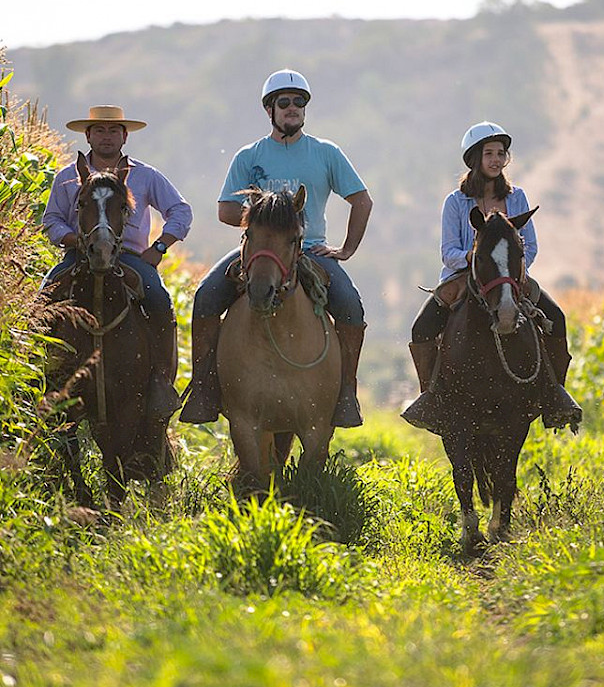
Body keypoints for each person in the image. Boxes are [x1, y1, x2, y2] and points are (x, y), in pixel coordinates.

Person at [180, 69, 373, 427]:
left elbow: (362, 201)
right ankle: (204, 388)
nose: (292, 108)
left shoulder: (326, 153)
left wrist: (345, 250)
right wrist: (262, 221)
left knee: (350, 306)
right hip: (258, 253)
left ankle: (346, 393)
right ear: (270, 109)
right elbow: (225, 210)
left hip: (310, 251)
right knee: (206, 295)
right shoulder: (248, 155)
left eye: (299, 102)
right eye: (283, 102)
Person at [406, 121, 580, 431]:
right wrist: (471, 259)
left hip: (511, 277)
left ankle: (555, 394)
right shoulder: (455, 202)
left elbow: (531, 245)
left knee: (557, 318)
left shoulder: (518, 197)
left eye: (501, 154)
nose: (496, 160)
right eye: (489, 153)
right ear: (474, 158)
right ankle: (431, 397)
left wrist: (516, 271)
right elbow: (448, 251)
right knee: (421, 327)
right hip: (462, 277)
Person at [41, 105, 193, 418]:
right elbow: (52, 219)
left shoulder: (146, 175)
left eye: (113, 130)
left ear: (124, 136)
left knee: (159, 299)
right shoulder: (68, 177)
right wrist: (74, 240)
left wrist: (160, 246)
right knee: (42, 298)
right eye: (100, 130)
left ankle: (160, 381)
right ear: (88, 135)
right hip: (79, 253)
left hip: (129, 256)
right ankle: (38, 377)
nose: (106, 136)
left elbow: (180, 211)